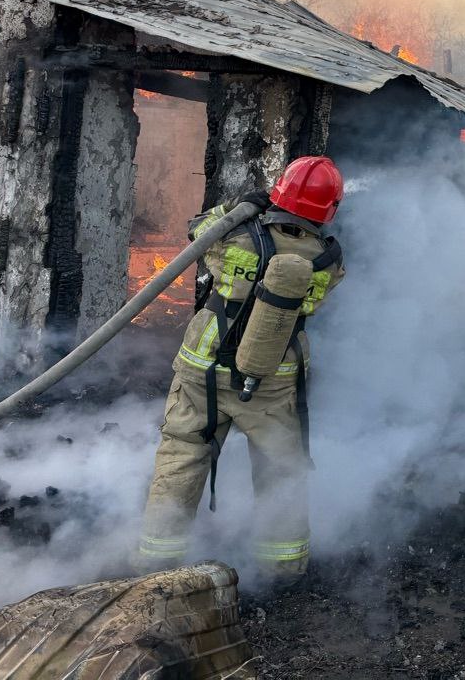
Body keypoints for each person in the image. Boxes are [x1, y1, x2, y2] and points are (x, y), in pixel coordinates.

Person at [136, 155, 346, 580]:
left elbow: (197, 229)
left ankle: (158, 562)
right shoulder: (327, 260)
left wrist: (242, 205)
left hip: (203, 366)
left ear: (280, 190)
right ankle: (283, 566)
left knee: (182, 454)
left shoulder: (235, 234)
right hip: (271, 378)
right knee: (280, 466)